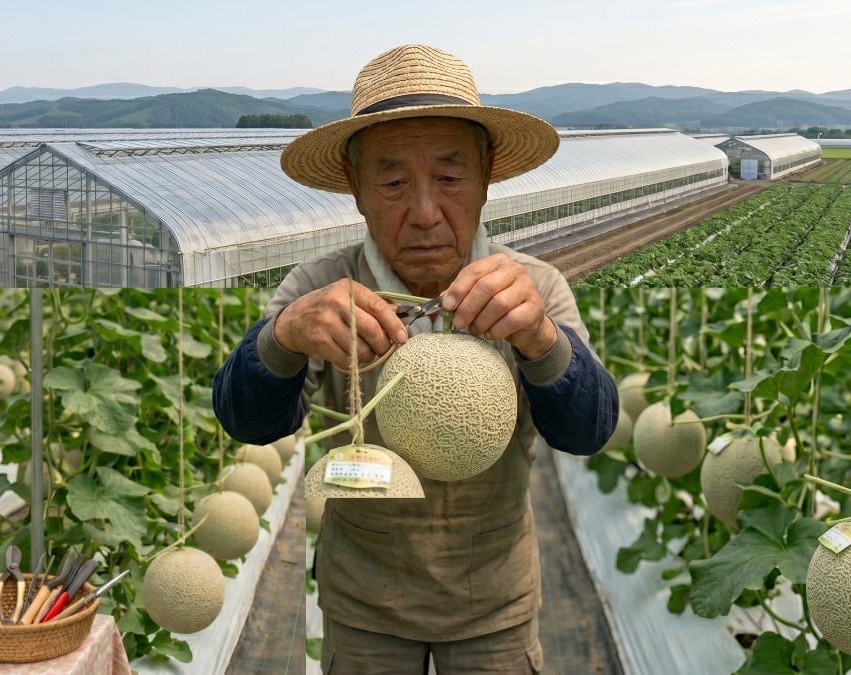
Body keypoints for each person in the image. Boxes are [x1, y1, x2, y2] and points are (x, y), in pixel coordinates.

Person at [213, 44, 618, 674]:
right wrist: (282, 337)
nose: (425, 214)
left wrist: (542, 339)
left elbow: (588, 430)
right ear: (355, 188)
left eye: (450, 179)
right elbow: (249, 422)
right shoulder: (319, 289)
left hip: (495, 606)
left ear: (486, 178)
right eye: (394, 182)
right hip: (364, 605)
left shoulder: (532, 288)